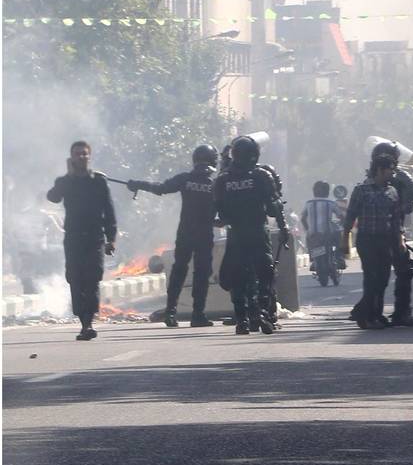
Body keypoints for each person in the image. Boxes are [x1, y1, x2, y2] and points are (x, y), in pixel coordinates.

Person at [126, 145, 219, 328]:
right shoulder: (215, 184)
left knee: (178, 271)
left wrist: (138, 184)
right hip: (204, 234)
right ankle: (198, 314)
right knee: (201, 273)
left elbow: (160, 188)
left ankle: (170, 312)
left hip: (185, 232)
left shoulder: (185, 179)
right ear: (213, 161)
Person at [214, 135, 289, 336]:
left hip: (236, 235)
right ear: (254, 155)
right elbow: (274, 207)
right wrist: (283, 229)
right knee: (266, 275)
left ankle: (242, 320)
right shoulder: (261, 176)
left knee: (237, 278)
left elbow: (215, 214)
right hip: (258, 233)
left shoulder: (222, 180)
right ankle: (263, 313)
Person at [47, 141, 117, 341]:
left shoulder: (98, 181)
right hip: (73, 240)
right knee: (76, 280)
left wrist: (111, 239)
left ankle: (88, 323)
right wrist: (68, 177)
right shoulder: (65, 181)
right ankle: (83, 321)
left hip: (95, 239)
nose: (82, 157)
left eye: (85, 154)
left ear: (90, 156)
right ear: (71, 157)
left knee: (92, 279)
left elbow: (109, 211)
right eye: (78, 154)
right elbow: (53, 197)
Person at [344, 154, 404, 330]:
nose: (392, 174)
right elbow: (350, 216)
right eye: (390, 170)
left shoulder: (392, 192)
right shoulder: (362, 190)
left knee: (383, 279)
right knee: (372, 278)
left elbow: (396, 219)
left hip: (385, 240)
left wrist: (399, 240)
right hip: (367, 240)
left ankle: (374, 313)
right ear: (379, 170)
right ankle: (366, 317)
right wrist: (344, 239)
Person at [371, 140, 413, 327]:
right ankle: (401, 312)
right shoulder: (401, 177)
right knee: (403, 270)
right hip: (394, 231)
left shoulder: (368, 179)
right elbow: (409, 205)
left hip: (375, 234)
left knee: (376, 275)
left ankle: (373, 312)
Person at [301, 180, 345, 274]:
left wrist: (308, 230)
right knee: (338, 236)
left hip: (313, 234)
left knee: (310, 242)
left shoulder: (308, 203)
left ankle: (313, 261)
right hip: (328, 233)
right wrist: (342, 224)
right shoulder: (330, 202)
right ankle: (339, 257)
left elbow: (303, 218)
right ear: (327, 191)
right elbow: (340, 216)